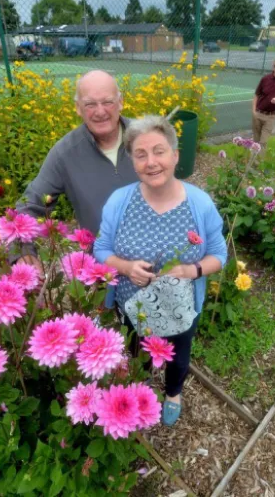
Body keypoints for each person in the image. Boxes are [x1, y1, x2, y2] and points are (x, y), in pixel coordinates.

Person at [93, 115, 227, 426]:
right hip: (132, 304)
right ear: (132, 160)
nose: (151, 162)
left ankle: (173, 393)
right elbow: (101, 250)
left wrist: (190, 269)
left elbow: (219, 255)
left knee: (179, 353)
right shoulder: (119, 201)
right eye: (141, 154)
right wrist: (125, 267)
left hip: (179, 308)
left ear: (175, 155)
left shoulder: (200, 204)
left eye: (159, 151)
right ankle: (136, 391)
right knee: (133, 347)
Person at [15, 70, 138, 266]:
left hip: (156, 259)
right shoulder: (65, 154)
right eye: (90, 104)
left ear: (120, 102)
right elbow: (29, 207)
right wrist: (24, 256)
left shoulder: (146, 137)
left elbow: (176, 193)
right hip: (102, 270)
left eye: (108, 102)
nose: (100, 111)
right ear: (78, 108)